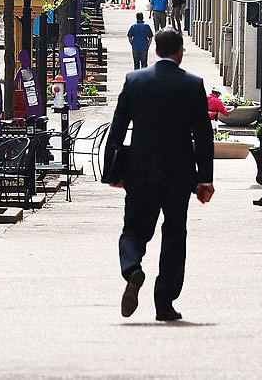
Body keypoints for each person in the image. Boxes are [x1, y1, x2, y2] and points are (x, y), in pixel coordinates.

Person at [103, 27, 214, 322]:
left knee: (134, 229)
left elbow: (117, 129)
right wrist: (205, 179)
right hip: (179, 174)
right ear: (179, 52)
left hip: (140, 170)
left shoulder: (134, 81)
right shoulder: (192, 84)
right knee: (175, 235)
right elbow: (203, 135)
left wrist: (112, 171)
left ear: (154, 50)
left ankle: (132, 269)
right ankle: (164, 302)